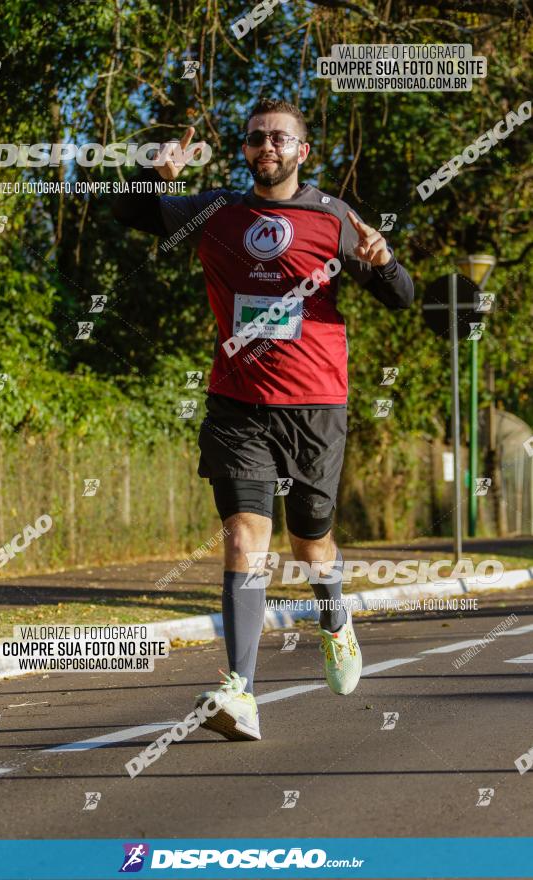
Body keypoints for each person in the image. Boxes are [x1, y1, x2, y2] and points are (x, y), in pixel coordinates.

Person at [112, 97, 414, 742]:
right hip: (238, 406)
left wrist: (384, 262)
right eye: (255, 139)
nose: (266, 147)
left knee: (310, 544)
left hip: (316, 408)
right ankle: (240, 691)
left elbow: (402, 297)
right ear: (245, 150)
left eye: (279, 138)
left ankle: (335, 622)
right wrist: (152, 177)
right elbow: (129, 212)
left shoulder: (334, 218)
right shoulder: (218, 209)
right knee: (245, 537)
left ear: (303, 151)